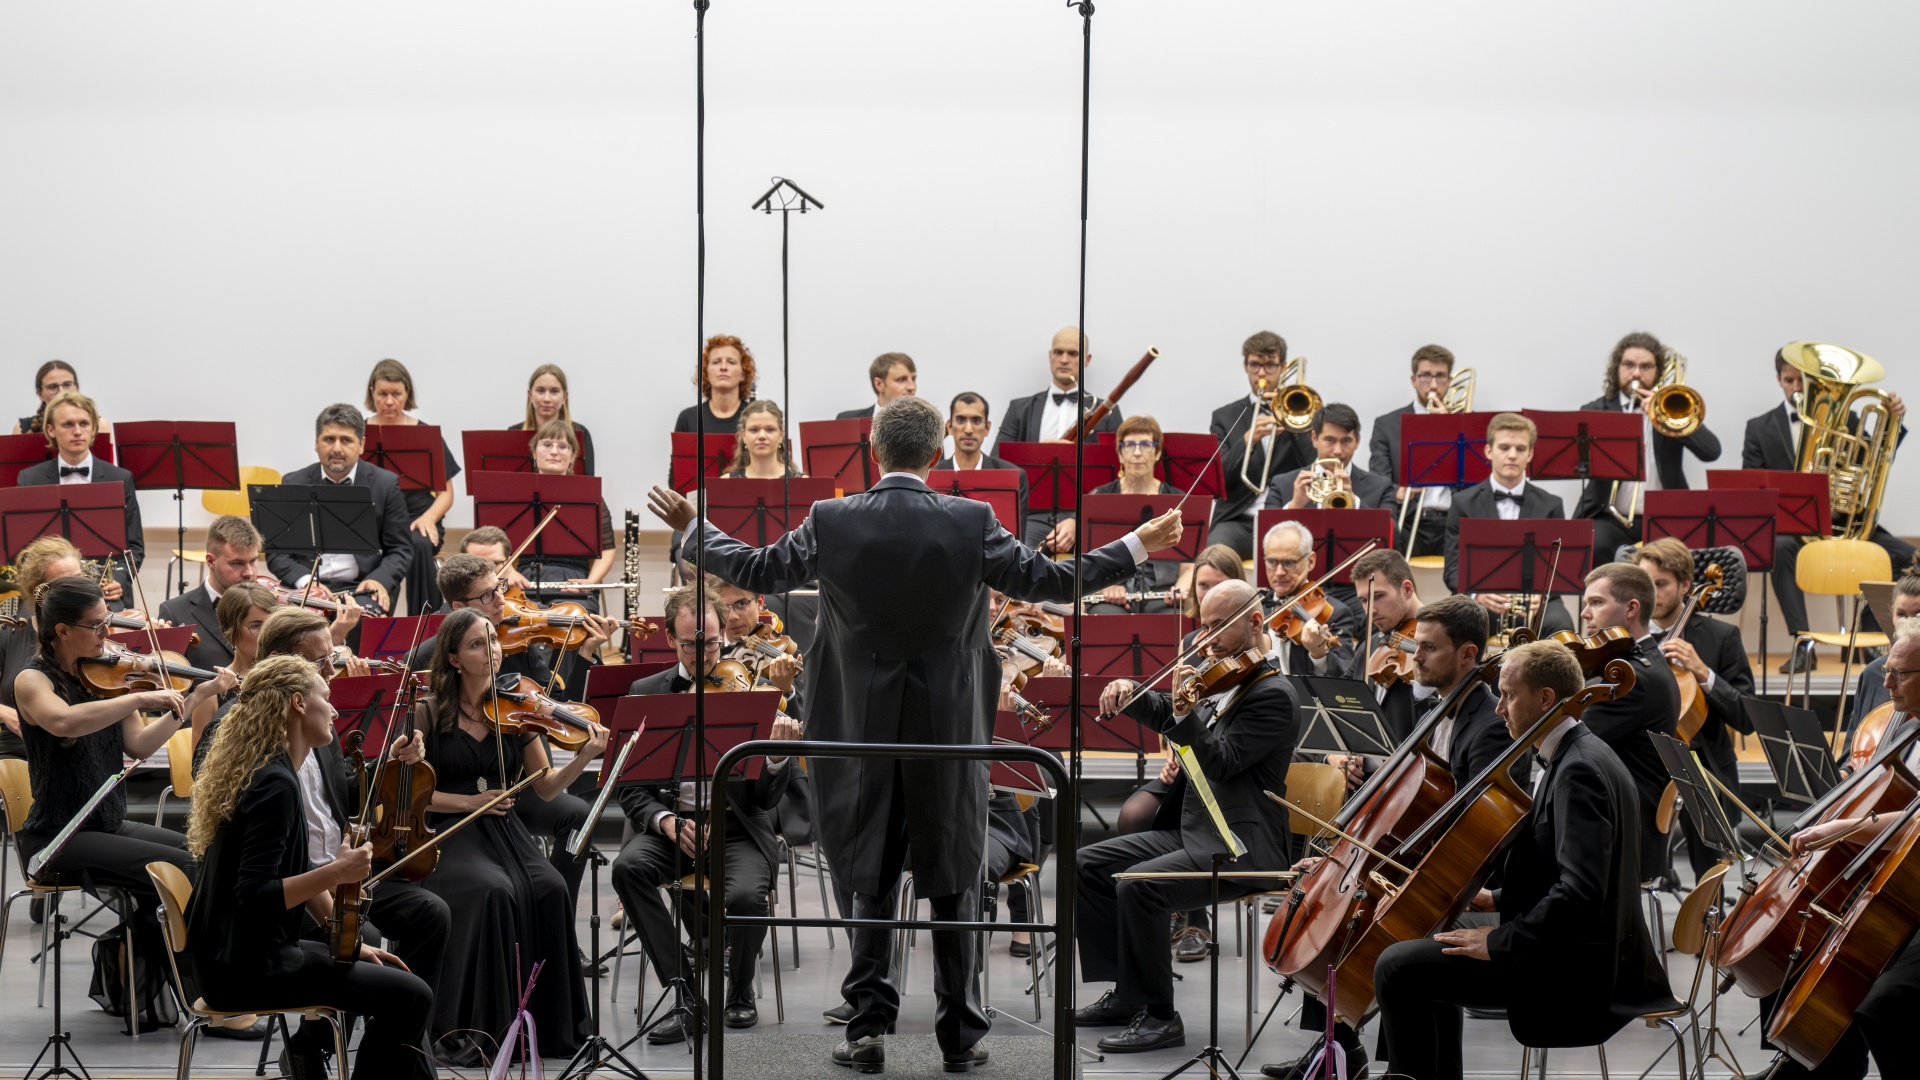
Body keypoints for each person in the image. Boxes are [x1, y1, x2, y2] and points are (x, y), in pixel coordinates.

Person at [646, 394, 1182, 1073]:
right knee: (955, 878)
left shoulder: (832, 518)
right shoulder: (971, 519)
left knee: (869, 876)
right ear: (936, 453)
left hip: (857, 733)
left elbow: (756, 570)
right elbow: (1052, 579)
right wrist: (1138, 544)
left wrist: (693, 525)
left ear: (873, 451)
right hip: (949, 732)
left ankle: (867, 1027)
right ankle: (960, 1037)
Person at [1371, 639, 1670, 1080]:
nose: (1498, 709)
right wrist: (1497, 899)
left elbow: (1582, 893)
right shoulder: (1581, 752)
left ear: (1546, 698)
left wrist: (1498, 941)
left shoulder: (1578, 769)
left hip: (1573, 969)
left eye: (1508, 695)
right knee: (1433, 938)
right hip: (1577, 946)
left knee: (1397, 966)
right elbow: (1576, 872)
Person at [1269, 593, 1510, 1080]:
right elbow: (1412, 799)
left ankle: (1397, 1066)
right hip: (1418, 858)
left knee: (1366, 931)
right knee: (1338, 911)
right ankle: (1342, 1048)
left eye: (1429, 648)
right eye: (1417, 646)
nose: (1415, 657)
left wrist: (1374, 866)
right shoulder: (1437, 712)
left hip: (1463, 877)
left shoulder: (1489, 726)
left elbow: (1464, 827)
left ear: (1468, 654)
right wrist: (1342, 856)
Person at [184, 655, 436, 1080]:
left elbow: (290, 868)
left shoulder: (270, 769)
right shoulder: (275, 783)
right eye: (326, 697)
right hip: (245, 970)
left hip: (228, 959)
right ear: (298, 703)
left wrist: (347, 941)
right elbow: (254, 897)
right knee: (412, 997)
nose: (335, 711)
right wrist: (337, 873)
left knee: (396, 981)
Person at [1075, 580, 1298, 1052]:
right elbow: (1172, 713)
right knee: (1089, 864)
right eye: (1204, 626)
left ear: (1255, 622)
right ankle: (1127, 995)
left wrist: (1185, 713)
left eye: (1219, 626)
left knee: (1139, 885)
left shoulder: (1272, 694)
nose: (1206, 639)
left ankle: (1160, 1017)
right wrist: (1132, 693)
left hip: (1238, 843)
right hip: (1196, 829)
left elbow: (1222, 762)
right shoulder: (1227, 682)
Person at [12, 576, 238, 1032]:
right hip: (60, 833)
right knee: (184, 871)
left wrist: (196, 695)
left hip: (108, 822)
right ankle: (210, 998)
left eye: (107, 622)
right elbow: (63, 722)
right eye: (96, 625)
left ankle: (180, 981)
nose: (108, 634)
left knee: (204, 855)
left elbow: (139, 744)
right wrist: (141, 695)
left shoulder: (105, 676)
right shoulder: (32, 679)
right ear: (62, 631)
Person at [249, 605, 449, 1078]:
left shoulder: (316, 728)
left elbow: (346, 793)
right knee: (369, 941)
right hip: (303, 889)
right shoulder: (262, 751)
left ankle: (389, 1039)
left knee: (430, 913)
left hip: (340, 876)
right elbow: (261, 881)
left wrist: (391, 764)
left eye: (332, 659)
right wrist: (336, 888)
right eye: (320, 663)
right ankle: (326, 1044)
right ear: (282, 664)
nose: (332, 673)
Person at [610, 585, 803, 1039]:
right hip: (673, 829)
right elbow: (630, 789)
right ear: (670, 640)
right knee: (627, 870)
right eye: (691, 645)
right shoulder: (646, 692)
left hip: (736, 829)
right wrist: (666, 822)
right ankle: (685, 995)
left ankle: (740, 992)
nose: (703, 654)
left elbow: (763, 800)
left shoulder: (748, 691)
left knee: (747, 898)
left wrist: (778, 756)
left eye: (712, 643)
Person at [417, 607, 605, 1063]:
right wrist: (469, 803)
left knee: (551, 887)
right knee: (493, 891)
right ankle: (481, 1026)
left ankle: (549, 1027)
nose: (492, 651)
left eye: (493, 640)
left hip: (503, 829)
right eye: (477, 645)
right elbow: (412, 795)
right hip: (447, 830)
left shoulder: (516, 707)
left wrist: (585, 756)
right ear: (454, 658)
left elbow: (546, 787)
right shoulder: (428, 712)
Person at [1763, 617, 1920, 1080]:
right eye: (1887, 670)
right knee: (1791, 949)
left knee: (1887, 1004)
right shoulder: (1906, 728)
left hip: (1911, 890)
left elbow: (1915, 821)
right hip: (1892, 877)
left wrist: (1844, 827)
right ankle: (1807, 1069)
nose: (1885, 682)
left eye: (1900, 674)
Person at [411, 554, 612, 913]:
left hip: (513, 781)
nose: (501, 601)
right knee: (495, 886)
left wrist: (584, 654)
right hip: (455, 784)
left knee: (575, 821)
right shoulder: (428, 659)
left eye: (499, 588)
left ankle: (556, 910)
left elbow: (553, 704)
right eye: (487, 596)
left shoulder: (518, 642)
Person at [1742, 347, 1911, 673]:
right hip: (1792, 526)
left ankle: (1866, 639)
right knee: (1779, 549)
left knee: (1904, 556)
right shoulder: (1759, 427)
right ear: (1778, 380)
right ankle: (1803, 644)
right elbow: (1752, 485)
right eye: (1789, 380)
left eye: (1803, 380)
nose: (1797, 388)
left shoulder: (1848, 419)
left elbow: (1874, 457)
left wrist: (1893, 420)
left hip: (1843, 522)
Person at [1636, 537, 1756, 877]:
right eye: (1645, 585)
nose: (1652, 594)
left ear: (1685, 586)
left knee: (1709, 859)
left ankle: (1708, 904)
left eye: (1661, 584)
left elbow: (1746, 717)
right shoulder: (1627, 637)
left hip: (1700, 764)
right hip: (1642, 763)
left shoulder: (1721, 637)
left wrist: (1703, 672)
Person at [1570, 332, 1722, 563]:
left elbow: (1711, 452)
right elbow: (1576, 464)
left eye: (1645, 367)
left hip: (1666, 517)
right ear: (1617, 368)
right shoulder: (1595, 411)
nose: (1636, 373)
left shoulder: (1670, 409)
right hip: (1610, 517)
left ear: (1657, 371)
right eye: (1629, 365)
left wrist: (1667, 416)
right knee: (1594, 544)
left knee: (1683, 558)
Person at [1576, 562, 1681, 881]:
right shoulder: (1643, 662)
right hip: (1618, 816)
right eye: (1586, 603)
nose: (1585, 614)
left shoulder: (1632, 679)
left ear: (1631, 608)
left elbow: (1570, 742)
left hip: (1619, 832)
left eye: (1596, 602)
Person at [268, 404, 416, 618]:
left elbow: (400, 548)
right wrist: (307, 581)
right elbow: (277, 552)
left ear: (361, 445)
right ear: (316, 443)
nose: (337, 448)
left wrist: (379, 579)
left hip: (362, 587)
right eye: (329, 439)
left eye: (346, 440)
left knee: (363, 619)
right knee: (295, 623)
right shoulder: (293, 483)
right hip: (307, 586)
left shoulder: (385, 485)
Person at [1442, 412, 1575, 637]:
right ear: (1489, 451)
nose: (1512, 455)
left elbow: (1559, 569)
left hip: (1535, 600)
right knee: (1457, 625)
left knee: (1561, 624)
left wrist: (1542, 595)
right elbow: (1452, 569)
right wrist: (1477, 595)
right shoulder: (1462, 503)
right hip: (1482, 600)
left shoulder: (1551, 504)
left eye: (1520, 449)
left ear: (1530, 454)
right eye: (1504, 448)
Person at [994, 327, 1126, 547]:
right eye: (1058, 352)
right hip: (1030, 515)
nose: (1064, 359)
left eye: (1073, 354)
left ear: (1087, 360)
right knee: (1018, 558)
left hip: (1085, 516)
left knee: (1099, 562)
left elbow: (1120, 475)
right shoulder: (1019, 409)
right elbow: (997, 462)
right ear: (1050, 356)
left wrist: (1077, 520)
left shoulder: (1108, 413)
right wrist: (1037, 453)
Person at [16, 391, 143, 605]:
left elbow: (134, 547)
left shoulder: (121, 478)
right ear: (51, 430)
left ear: (93, 428)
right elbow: (23, 549)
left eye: (84, 424)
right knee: (23, 622)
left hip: (104, 590)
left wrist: (119, 581)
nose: (77, 431)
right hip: (50, 590)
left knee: (113, 621)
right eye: (68, 424)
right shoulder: (29, 479)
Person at [364, 358, 463, 615]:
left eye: (396, 394)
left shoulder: (425, 433)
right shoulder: (359, 434)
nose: (389, 401)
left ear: (407, 393)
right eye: (382, 394)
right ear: (372, 392)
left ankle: (424, 622)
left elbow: (446, 492)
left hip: (418, 517)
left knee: (418, 544)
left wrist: (429, 518)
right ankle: (374, 618)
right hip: (375, 519)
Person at [1207, 331, 1313, 559]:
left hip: (1290, 516)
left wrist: (1292, 421)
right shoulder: (1225, 416)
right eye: (1255, 365)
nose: (1262, 373)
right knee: (1215, 556)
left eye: (1270, 365)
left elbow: (1313, 462)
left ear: (1283, 367)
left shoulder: (1303, 411)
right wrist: (1247, 441)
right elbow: (1217, 480)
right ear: (1245, 366)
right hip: (1239, 521)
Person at [1074, 415, 1180, 613]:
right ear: (1120, 454)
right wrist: (1105, 585)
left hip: (1163, 591)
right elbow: (1086, 556)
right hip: (1111, 588)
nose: (1137, 453)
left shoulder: (1177, 499)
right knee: (1105, 616)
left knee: (1176, 617)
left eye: (1145, 445)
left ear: (1157, 453)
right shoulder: (1099, 497)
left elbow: (1190, 564)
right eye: (1130, 445)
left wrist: (1180, 588)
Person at [159, 515, 287, 670]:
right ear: (211, 561)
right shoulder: (175, 613)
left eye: (253, 561)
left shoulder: (272, 605)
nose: (249, 572)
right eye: (237, 563)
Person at [1370, 345, 1460, 558]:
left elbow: (1478, 482)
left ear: (1450, 380)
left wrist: (1450, 428)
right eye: (1425, 375)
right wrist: (1399, 492)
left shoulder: (1464, 423)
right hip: (1408, 521)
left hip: (1453, 521)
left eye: (1440, 376)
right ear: (1413, 380)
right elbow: (1378, 482)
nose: (1433, 384)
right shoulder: (1387, 425)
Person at [521, 419, 617, 610]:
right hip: (525, 580)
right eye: (547, 444)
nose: (554, 451)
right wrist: (509, 572)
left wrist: (591, 582)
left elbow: (607, 548)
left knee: (573, 622)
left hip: (572, 582)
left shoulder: (589, 495)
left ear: (573, 456)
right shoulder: (517, 492)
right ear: (534, 452)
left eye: (562, 446)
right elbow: (497, 543)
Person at [189, 581, 278, 772]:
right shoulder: (212, 691)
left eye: (272, 625)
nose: (267, 635)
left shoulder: (288, 679)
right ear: (229, 629)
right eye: (256, 626)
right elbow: (200, 768)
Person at [1347, 548, 1433, 743]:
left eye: (1378, 596)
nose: (1370, 610)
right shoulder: (1370, 645)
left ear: (1407, 589)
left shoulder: (1440, 644)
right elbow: (1339, 701)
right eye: (1364, 600)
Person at [1258, 403, 1396, 516]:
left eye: (1346, 441)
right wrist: (1295, 506)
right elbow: (1264, 537)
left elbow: (1393, 537)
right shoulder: (1282, 484)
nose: (1338, 450)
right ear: (1314, 439)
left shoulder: (1381, 487)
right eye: (1329, 440)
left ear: (1357, 441)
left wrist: (1354, 501)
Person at [1260, 520, 1359, 676]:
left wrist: (1319, 655)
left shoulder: (1335, 613)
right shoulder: (1258, 608)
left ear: (1310, 561)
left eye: (1288, 562)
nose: (1279, 572)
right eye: (1271, 562)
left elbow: (1345, 676)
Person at [1841, 571, 1920, 756]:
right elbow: (1852, 756)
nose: (1888, 683)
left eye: (1918, 616)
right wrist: (1846, 770)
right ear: (1891, 612)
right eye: (1901, 615)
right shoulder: (1874, 673)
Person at [933, 391, 1031, 541]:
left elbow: (1017, 542)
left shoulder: (1014, 478)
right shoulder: (930, 476)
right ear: (950, 427)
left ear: (987, 428)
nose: (968, 429)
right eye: (960, 420)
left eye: (976, 421)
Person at [510, 363, 596, 475]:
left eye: (554, 391)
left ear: (564, 397)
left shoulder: (581, 433)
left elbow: (589, 480)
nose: (547, 399)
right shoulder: (514, 432)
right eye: (540, 391)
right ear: (530, 395)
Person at [676, 334, 754, 434]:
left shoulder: (757, 416)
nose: (723, 367)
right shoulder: (687, 418)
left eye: (731, 362)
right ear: (706, 372)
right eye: (716, 362)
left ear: (743, 374)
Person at [724, 399, 801, 478]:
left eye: (770, 430)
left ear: (781, 435)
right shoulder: (726, 482)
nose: (762, 436)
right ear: (744, 435)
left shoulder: (802, 481)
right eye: (754, 430)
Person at [837, 352, 917, 419]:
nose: (912, 387)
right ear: (879, 384)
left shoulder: (923, 424)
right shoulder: (847, 420)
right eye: (901, 380)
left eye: (913, 379)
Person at [13, 359, 81, 434]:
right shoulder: (23, 429)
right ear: (40, 394)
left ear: (77, 388)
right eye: (53, 387)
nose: (61, 392)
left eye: (67, 385)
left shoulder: (91, 424)